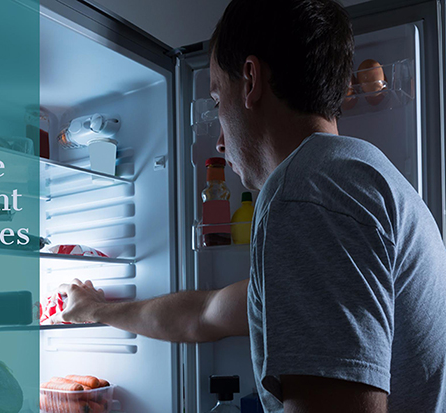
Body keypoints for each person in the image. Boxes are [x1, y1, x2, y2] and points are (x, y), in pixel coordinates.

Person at [48, 0, 446, 412]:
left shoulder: (308, 192)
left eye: (219, 101)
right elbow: (203, 315)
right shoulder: (353, 172)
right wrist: (96, 310)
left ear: (251, 80)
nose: (220, 141)